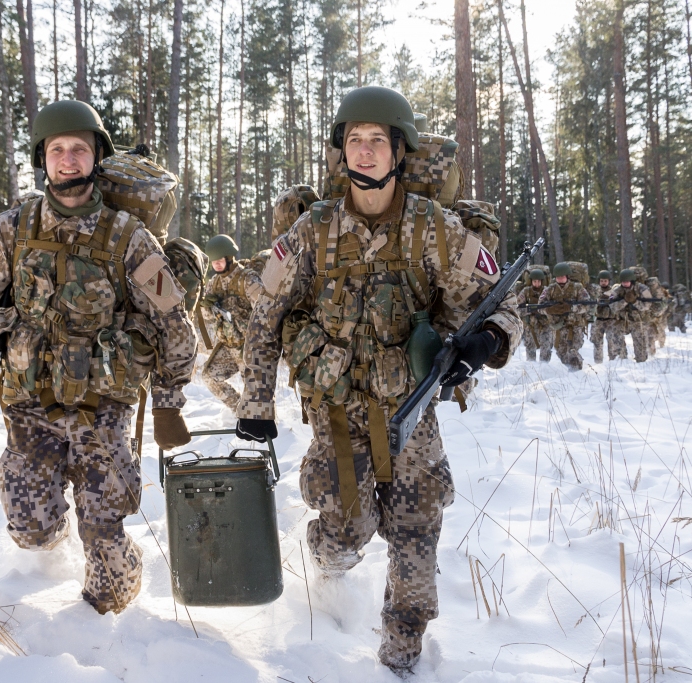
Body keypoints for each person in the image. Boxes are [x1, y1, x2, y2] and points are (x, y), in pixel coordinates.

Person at [235, 86, 521, 675]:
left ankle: (400, 661)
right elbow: (264, 313)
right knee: (347, 530)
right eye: (354, 141)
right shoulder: (311, 233)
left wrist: (485, 342)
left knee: (417, 536)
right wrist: (255, 401)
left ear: (398, 150)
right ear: (343, 152)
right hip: (338, 415)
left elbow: (503, 299)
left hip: (412, 415)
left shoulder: (435, 229)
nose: (364, 153)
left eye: (377, 141)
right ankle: (326, 565)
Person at [0, 100, 197, 615]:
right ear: (43, 158)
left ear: (96, 156)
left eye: (78, 149)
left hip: (103, 408)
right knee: (30, 531)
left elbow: (175, 325)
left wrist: (168, 404)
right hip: (29, 405)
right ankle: (50, 539)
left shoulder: (128, 236)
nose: (67, 160)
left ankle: (111, 595)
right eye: (57, 150)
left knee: (106, 564)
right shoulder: (11, 228)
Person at [200, 234, 264, 411]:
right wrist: (208, 307)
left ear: (229, 257)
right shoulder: (214, 283)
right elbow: (207, 317)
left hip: (249, 347)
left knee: (255, 392)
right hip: (228, 345)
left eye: (219, 260)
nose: (216, 265)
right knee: (209, 377)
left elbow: (265, 311)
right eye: (213, 262)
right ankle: (239, 410)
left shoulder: (248, 279)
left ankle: (259, 418)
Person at [537, 263, 590, 370]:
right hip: (558, 327)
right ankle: (570, 372)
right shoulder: (549, 289)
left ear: (567, 276)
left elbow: (587, 305)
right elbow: (539, 307)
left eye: (562, 277)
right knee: (561, 352)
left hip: (575, 326)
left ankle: (577, 371)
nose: (560, 279)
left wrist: (571, 308)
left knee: (573, 350)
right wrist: (550, 309)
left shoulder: (577, 287)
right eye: (558, 277)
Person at [608, 268, 652, 362]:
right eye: (623, 282)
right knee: (615, 334)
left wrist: (635, 302)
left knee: (640, 344)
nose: (625, 284)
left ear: (632, 281)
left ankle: (641, 362)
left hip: (639, 320)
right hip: (622, 319)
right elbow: (611, 305)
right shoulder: (616, 290)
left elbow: (648, 305)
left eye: (627, 282)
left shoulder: (644, 289)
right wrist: (624, 301)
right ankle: (621, 358)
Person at [519, 269, 553, 361]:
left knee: (546, 347)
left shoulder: (548, 291)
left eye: (539, 281)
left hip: (545, 324)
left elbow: (553, 308)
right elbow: (517, 308)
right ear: (531, 281)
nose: (537, 283)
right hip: (531, 325)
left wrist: (543, 310)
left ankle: (544, 368)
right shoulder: (526, 291)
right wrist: (530, 310)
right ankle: (531, 369)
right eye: (534, 281)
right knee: (530, 348)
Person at [589, 270, 622, 362]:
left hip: (610, 320)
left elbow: (616, 301)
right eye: (602, 281)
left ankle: (613, 361)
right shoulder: (595, 290)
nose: (603, 283)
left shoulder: (613, 291)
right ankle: (598, 362)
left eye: (605, 281)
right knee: (597, 342)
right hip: (598, 320)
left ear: (609, 281)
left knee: (612, 341)